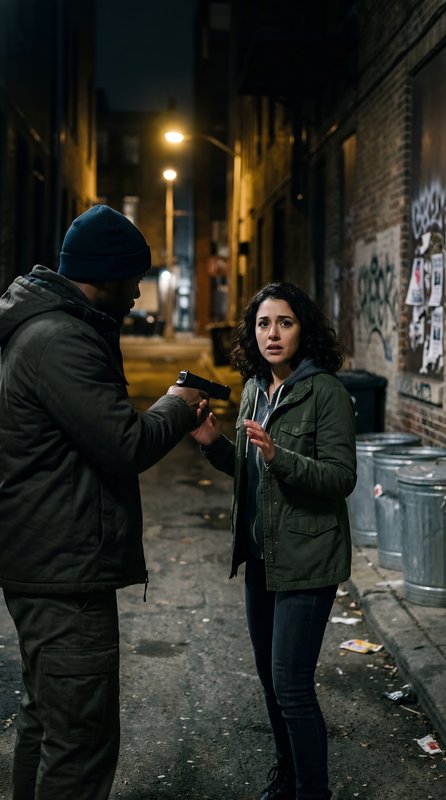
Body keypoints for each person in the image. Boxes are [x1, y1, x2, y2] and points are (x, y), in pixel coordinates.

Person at [0, 204, 208, 800]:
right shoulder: (61, 338)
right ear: (105, 275)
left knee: (47, 720)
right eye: (133, 279)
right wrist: (177, 402)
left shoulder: (49, 327)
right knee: (81, 741)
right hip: (62, 568)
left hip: (44, 558)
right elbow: (124, 444)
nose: (139, 294)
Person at [192, 281, 356, 800]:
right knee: (270, 683)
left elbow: (340, 478)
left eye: (284, 322)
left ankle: (314, 792)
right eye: (264, 324)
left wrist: (279, 457)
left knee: (292, 687)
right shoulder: (256, 390)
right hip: (264, 559)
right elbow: (247, 468)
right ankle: (286, 777)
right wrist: (214, 445)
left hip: (308, 558)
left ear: (302, 329)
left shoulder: (324, 391)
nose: (273, 333)